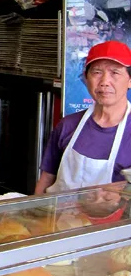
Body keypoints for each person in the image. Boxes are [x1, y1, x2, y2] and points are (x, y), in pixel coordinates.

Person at [35, 40, 131, 195]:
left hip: (114, 219)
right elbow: (46, 179)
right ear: (86, 79)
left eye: (115, 72)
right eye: (97, 72)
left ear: (130, 80)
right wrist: (35, 215)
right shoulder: (68, 125)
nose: (105, 82)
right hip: (60, 217)